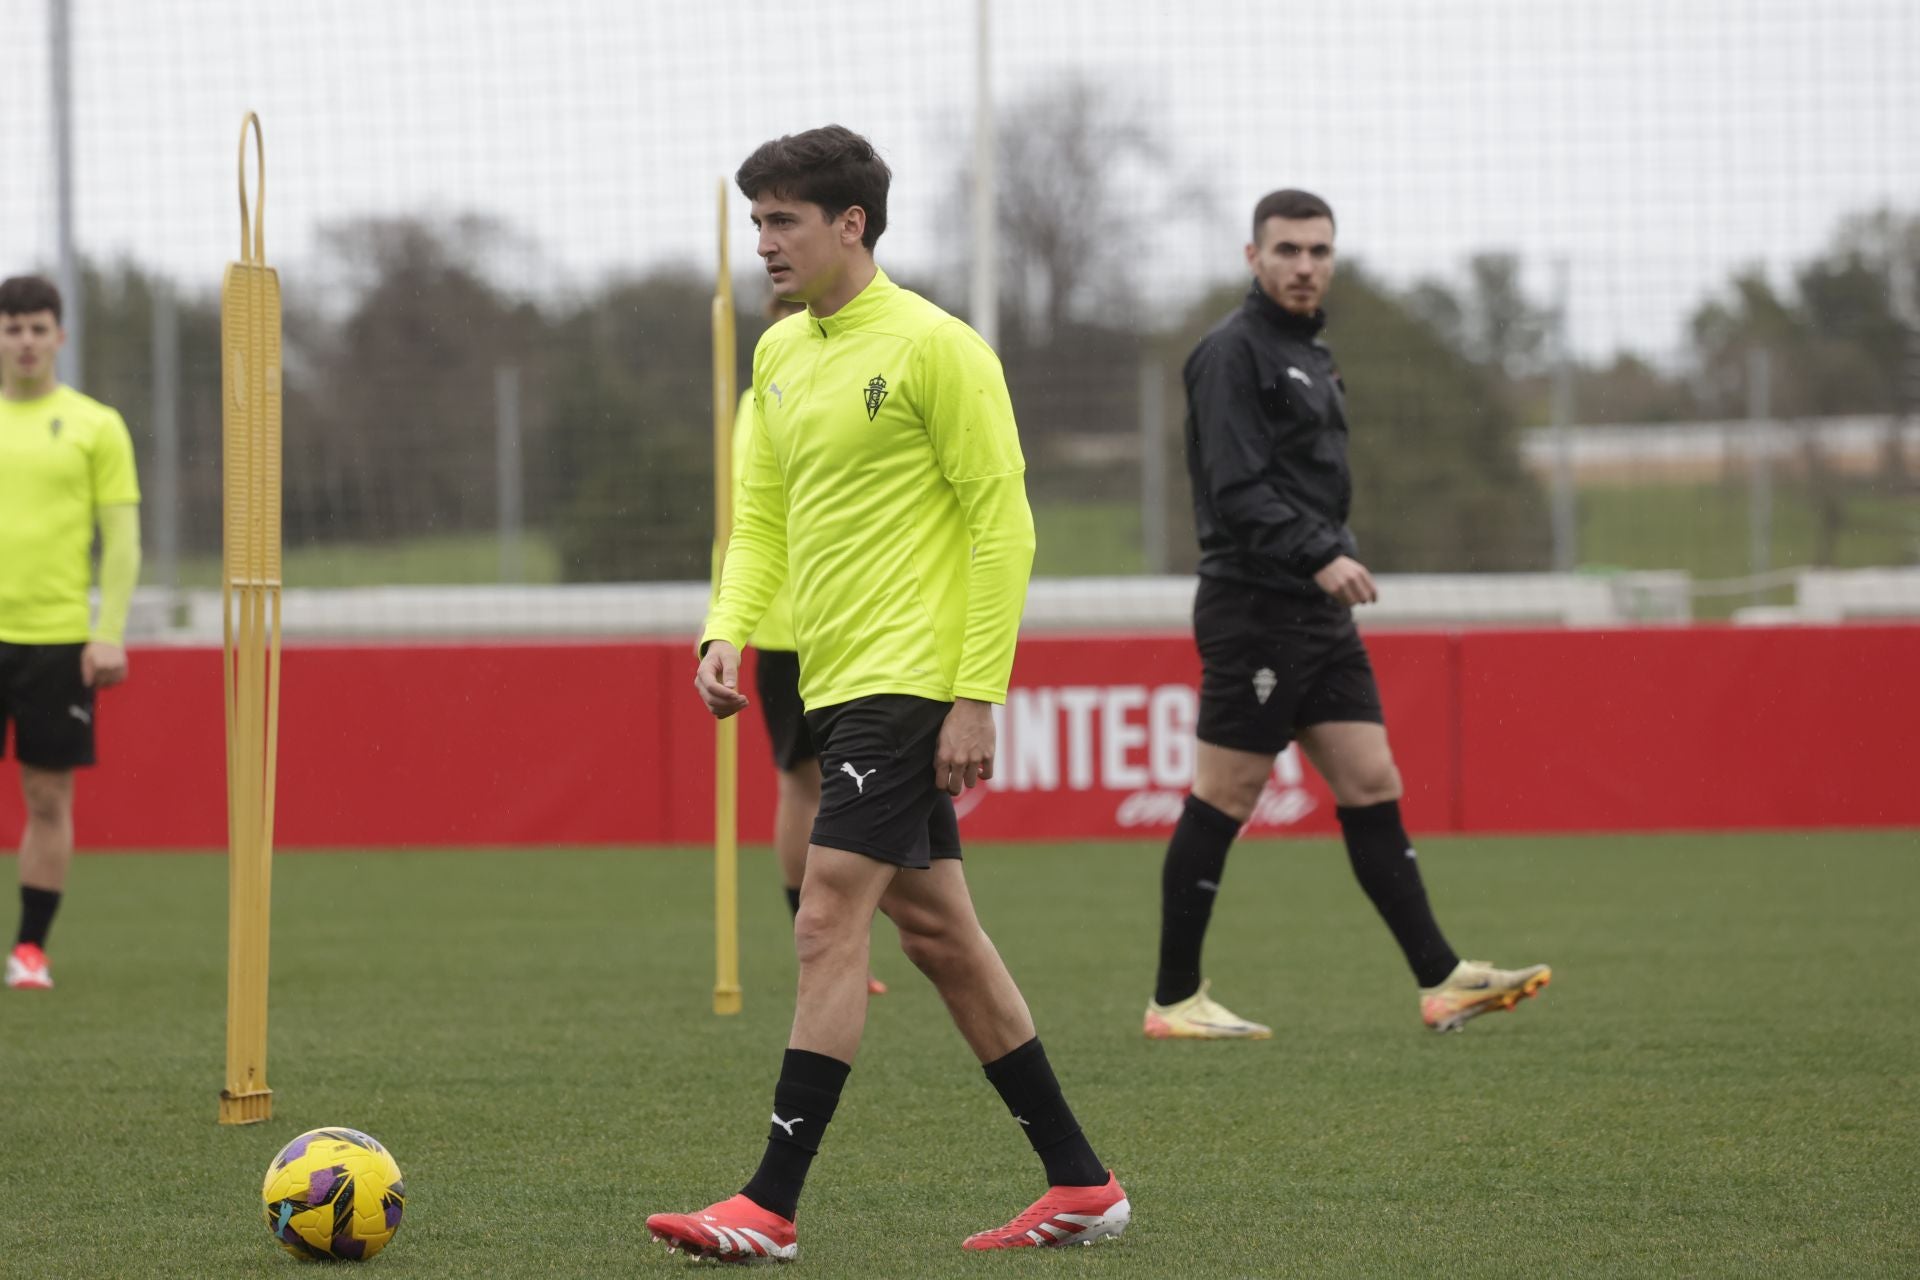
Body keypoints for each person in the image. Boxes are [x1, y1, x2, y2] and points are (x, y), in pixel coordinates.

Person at [647, 126, 1129, 1262]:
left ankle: (768, 1202)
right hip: (822, 677)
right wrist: (729, 628)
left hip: (909, 684)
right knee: (941, 934)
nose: (761, 243)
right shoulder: (779, 356)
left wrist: (977, 694)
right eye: (755, 220)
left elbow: (1002, 523)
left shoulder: (937, 349)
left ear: (850, 224)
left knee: (825, 920)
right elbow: (761, 518)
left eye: (782, 221)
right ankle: (1082, 1181)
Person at [1144, 191, 1550, 1040]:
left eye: (1319, 251)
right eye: (1287, 249)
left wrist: (1332, 549)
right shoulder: (1231, 353)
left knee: (1371, 781)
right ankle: (1174, 1000)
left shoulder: (1311, 354)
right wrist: (1318, 551)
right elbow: (1236, 488)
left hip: (1316, 611)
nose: (1304, 265)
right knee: (1226, 791)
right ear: (1252, 257)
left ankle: (1440, 980)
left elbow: (1304, 482)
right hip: (1255, 604)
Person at [726, 295, 885, 996]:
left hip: (826, 622)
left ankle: (832, 933)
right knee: (814, 784)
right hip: (803, 621)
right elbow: (761, 517)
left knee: (827, 784)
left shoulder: (786, 389)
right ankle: (820, 936)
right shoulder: (775, 393)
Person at [0, 275, 143, 991]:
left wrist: (107, 630)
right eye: (11, 327)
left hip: (58, 640)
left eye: (36, 327)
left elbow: (121, 540)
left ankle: (29, 950)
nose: (24, 340)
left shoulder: (96, 425)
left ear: (59, 336)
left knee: (47, 797)